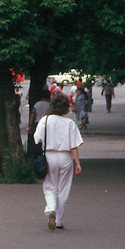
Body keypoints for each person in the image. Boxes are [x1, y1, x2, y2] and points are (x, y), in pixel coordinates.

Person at [33, 93, 83, 230]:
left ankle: (51, 209)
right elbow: (74, 145)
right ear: (66, 107)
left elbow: (36, 139)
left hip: (49, 156)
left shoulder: (45, 120)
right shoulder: (70, 123)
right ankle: (59, 221)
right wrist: (77, 163)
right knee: (63, 188)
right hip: (66, 157)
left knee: (50, 186)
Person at [28, 90, 51, 157]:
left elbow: (33, 115)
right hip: (47, 124)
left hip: (37, 123)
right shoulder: (50, 105)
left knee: (37, 140)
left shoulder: (37, 104)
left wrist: (30, 125)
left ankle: (36, 154)